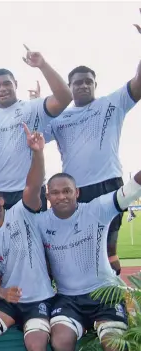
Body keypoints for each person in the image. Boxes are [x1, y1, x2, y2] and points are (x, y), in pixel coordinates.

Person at [44, 64, 140, 276]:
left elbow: (138, 82)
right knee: (81, 249)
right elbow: (36, 136)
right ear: (69, 87)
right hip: (75, 192)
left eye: (89, 81)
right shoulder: (59, 118)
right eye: (78, 82)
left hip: (109, 184)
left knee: (109, 250)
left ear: (95, 84)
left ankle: (115, 297)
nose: (84, 85)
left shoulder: (112, 103)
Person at [0, 124, 54, 351]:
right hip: (8, 299)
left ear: (1, 201)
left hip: (38, 299)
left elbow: (33, 184)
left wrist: (37, 152)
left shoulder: (22, 213)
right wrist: (2, 292)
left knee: (35, 345)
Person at [38, 170, 141, 351]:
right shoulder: (39, 222)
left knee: (113, 344)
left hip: (104, 294)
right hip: (67, 298)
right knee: (60, 342)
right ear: (47, 196)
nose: (61, 196)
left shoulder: (97, 209)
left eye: (67, 191)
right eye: (55, 192)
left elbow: (132, 189)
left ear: (76, 192)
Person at [0, 46, 73, 216]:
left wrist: (42, 65)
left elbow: (65, 97)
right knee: (0, 243)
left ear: (16, 84)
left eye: (7, 83)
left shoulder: (32, 108)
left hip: (30, 192)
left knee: (33, 242)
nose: (2, 89)